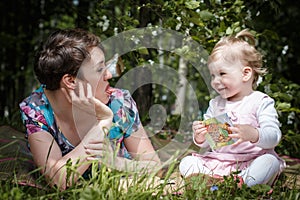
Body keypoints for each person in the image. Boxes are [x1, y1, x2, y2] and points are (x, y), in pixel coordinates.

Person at [19, 28, 161, 190]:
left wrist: (117, 163)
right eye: (100, 69)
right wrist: (103, 123)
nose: (109, 75)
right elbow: (59, 181)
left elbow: (155, 167)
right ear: (71, 81)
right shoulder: (36, 110)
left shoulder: (119, 102)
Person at [179, 29, 285, 187]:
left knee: (270, 162)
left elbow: (274, 137)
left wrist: (254, 134)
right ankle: (214, 182)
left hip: (251, 162)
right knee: (187, 161)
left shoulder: (260, 101)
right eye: (213, 75)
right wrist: (201, 137)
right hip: (219, 163)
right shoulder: (216, 104)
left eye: (222, 74)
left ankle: (240, 182)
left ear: (246, 74)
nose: (215, 81)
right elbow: (210, 143)